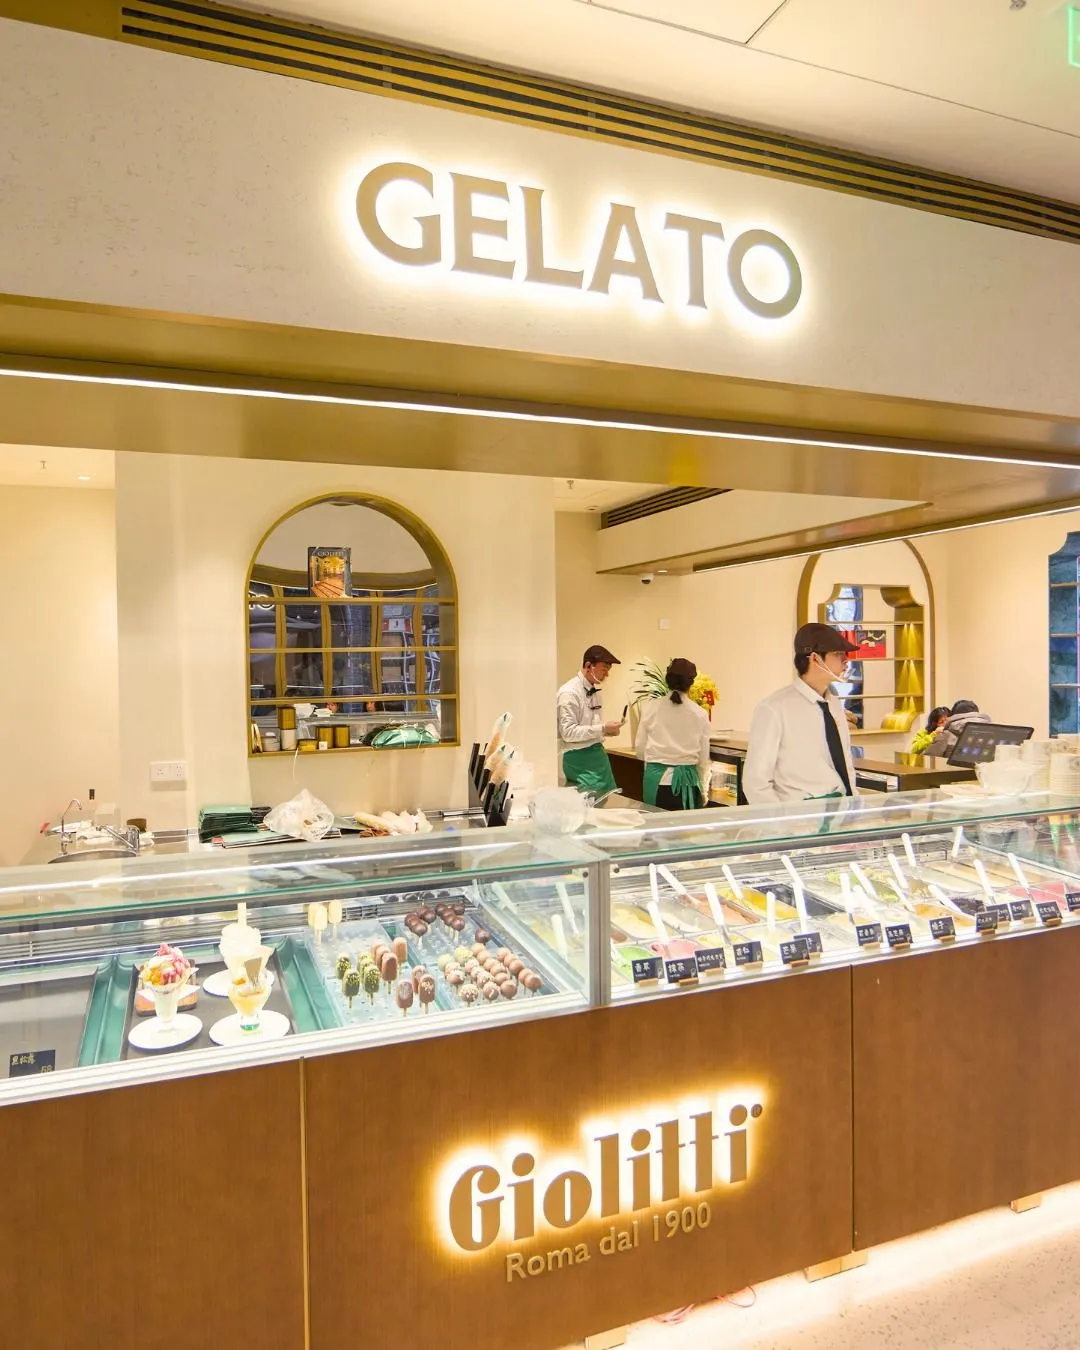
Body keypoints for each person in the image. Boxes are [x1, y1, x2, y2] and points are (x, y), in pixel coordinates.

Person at [743, 623, 859, 805]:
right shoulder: (774, 708)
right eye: (838, 654)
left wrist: (853, 805)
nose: (846, 660)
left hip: (839, 814)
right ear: (815, 658)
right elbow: (756, 782)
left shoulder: (834, 704)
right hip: (798, 819)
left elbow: (845, 762)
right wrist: (781, 825)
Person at [634, 658, 712, 810]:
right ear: (691, 683)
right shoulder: (700, 714)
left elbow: (640, 750)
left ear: (667, 679)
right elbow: (703, 760)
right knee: (683, 831)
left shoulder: (650, 708)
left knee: (654, 829)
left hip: (656, 782)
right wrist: (704, 790)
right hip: (687, 784)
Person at [557, 644, 624, 795]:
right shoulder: (569, 693)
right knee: (589, 806)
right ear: (589, 666)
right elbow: (568, 732)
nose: (607, 675)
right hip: (579, 761)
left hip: (599, 757)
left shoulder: (596, 691)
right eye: (604, 669)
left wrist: (608, 731)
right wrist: (602, 728)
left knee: (609, 801)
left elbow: (591, 728)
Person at [923, 700, 991, 759]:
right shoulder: (994, 731)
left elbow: (929, 760)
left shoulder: (945, 735)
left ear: (954, 716)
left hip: (954, 773)